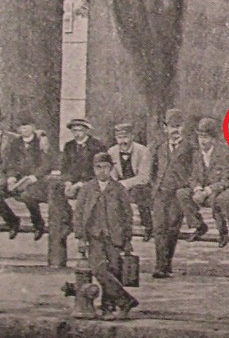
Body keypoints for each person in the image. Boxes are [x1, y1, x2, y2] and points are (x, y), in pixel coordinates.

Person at [73, 152, 139, 320]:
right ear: (94, 169)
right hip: (94, 237)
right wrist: (81, 237)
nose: (102, 171)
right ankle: (125, 301)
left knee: (113, 272)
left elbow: (127, 216)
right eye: (98, 167)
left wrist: (128, 239)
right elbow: (79, 214)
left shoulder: (118, 189)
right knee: (99, 270)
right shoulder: (87, 189)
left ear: (111, 169)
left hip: (114, 237)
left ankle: (108, 308)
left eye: (106, 167)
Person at [46, 118, 106, 269]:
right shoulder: (69, 146)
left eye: (80, 130)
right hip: (72, 184)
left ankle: (94, 257)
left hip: (91, 185)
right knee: (56, 198)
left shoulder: (97, 146)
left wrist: (80, 184)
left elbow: (99, 171)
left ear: (86, 131)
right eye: (74, 131)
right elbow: (65, 168)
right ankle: (56, 259)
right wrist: (68, 182)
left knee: (87, 206)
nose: (77, 134)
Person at [150, 109, 197, 278]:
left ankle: (165, 265)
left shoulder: (190, 148)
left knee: (172, 228)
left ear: (183, 127)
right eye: (171, 126)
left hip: (177, 193)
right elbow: (153, 170)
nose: (175, 130)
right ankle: (160, 266)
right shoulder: (160, 148)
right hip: (161, 192)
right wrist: (155, 186)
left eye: (178, 126)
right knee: (159, 229)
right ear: (165, 128)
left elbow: (195, 171)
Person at [188, 117, 229, 245]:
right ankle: (199, 225)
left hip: (223, 188)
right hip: (204, 189)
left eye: (206, 137)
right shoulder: (196, 155)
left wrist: (208, 190)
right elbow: (193, 177)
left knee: (219, 200)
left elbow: (227, 179)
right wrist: (197, 189)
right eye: (200, 137)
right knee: (182, 193)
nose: (202, 141)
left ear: (213, 139)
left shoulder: (224, 153)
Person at [0, 118, 52, 240]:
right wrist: (11, 177)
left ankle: (38, 224)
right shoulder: (15, 143)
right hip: (18, 179)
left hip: (36, 180)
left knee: (27, 196)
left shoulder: (40, 142)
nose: (24, 129)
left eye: (27, 126)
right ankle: (12, 221)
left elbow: (46, 164)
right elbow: (10, 163)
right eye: (22, 127)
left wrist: (33, 177)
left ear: (33, 127)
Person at [109, 122, 152, 238]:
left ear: (132, 136)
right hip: (121, 185)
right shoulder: (112, 152)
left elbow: (144, 177)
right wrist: (116, 185)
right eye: (119, 138)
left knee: (140, 193)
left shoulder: (143, 151)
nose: (122, 141)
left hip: (139, 184)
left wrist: (125, 184)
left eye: (125, 137)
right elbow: (112, 174)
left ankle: (147, 226)